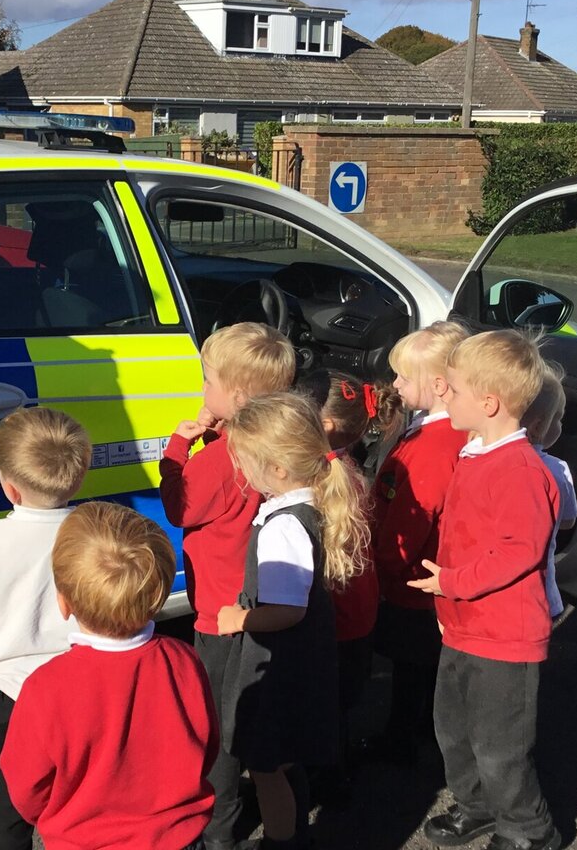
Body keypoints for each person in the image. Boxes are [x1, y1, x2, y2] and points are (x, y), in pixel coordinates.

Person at [408, 330, 562, 850]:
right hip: (463, 628)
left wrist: (450, 583)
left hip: (504, 638)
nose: (443, 394)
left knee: (501, 745)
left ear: (489, 402)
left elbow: (517, 552)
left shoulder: (519, 469)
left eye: (451, 388)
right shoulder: (475, 452)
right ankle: (476, 808)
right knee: (453, 731)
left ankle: (528, 828)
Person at [0, 501, 218, 850]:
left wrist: (57, 819)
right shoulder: (184, 661)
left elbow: (25, 785)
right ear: (157, 596)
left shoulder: (46, 687)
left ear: (63, 601)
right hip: (179, 839)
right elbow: (206, 747)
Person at [160, 321, 294, 850]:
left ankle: (218, 832)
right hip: (260, 600)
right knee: (260, 714)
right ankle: (284, 799)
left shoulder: (216, 458)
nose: (202, 390)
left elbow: (183, 507)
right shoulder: (267, 443)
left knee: (218, 726)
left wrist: (177, 449)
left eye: (207, 380)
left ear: (236, 395)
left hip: (218, 610)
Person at [217, 391, 371, 850]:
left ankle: (282, 841)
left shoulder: (284, 525)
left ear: (278, 470)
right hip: (303, 656)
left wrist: (240, 618)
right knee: (286, 758)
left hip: (281, 662)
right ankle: (295, 830)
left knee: (266, 766)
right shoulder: (307, 505)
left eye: (244, 461)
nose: (240, 470)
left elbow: (288, 610)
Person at [0, 407, 92, 850]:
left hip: (3, 691)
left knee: (5, 799)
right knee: (76, 787)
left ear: (8, 486)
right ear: (79, 476)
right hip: (76, 683)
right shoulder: (89, 527)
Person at [368, 321, 471, 768]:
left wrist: (382, 565)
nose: (395, 384)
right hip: (417, 576)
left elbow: (413, 522)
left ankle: (404, 741)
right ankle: (417, 732)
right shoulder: (436, 429)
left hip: (412, 582)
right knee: (418, 668)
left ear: (438, 384)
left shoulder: (433, 446)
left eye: (404, 378)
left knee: (413, 669)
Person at [298, 369, 401, 804]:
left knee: (320, 701)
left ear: (321, 427)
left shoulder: (316, 483)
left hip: (330, 618)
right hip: (358, 613)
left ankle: (327, 778)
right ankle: (335, 768)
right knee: (338, 701)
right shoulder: (352, 475)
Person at [520, 365, 577, 622]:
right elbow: (568, 521)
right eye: (559, 418)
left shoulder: (476, 458)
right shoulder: (556, 470)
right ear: (538, 427)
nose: (561, 426)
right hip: (541, 594)